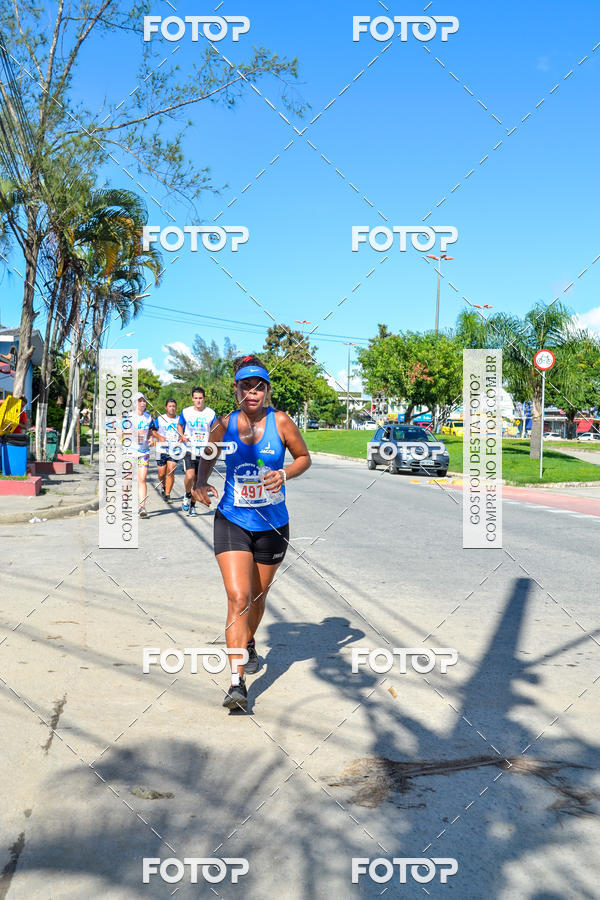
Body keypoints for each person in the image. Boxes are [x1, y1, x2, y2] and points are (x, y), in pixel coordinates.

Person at [192, 354, 311, 710]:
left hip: (273, 524)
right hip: (232, 519)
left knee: (258, 598)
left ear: (267, 390)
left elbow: (304, 457)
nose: (253, 392)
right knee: (238, 597)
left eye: (260, 387)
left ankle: (250, 641)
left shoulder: (283, 422)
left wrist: (285, 474)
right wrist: (199, 481)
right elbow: (209, 454)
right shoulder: (224, 423)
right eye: (247, 386)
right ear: (237, 389)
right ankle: (236, 683)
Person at [178, 387, 217, 517]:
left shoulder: (211, 413)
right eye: (196, 398)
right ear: (192, 399)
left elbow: (215, 429)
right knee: (189, 476)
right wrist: (182, 435)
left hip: (204, 452)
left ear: (204, 398)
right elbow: (180, 425)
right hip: (189, 448)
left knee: (197, 481)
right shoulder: (186, 412)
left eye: (200, 398)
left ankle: (193, 507)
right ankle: (187, 493)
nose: (198, 401)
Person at [153, 398, 181, 502]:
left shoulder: (180, 420)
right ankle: (164, 486)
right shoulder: (160, 419)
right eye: (170, 406)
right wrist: (159, 436)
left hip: (175, 449)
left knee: (171, 470)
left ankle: (168, 495)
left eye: (174, 406)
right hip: (161, 449)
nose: (172, 408)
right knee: (161, 473)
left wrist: (182, 438)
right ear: (166, 407)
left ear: (176, 407)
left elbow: (184, 432)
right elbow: (153, 431)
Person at [134, 392, 156, 518]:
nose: (142, 403)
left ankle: (142, 507)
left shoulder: (148, 417)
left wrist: (150, 438)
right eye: (140, 400)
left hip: (143, 452)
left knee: (142, 479)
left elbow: (150, 432)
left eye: (144, 401)